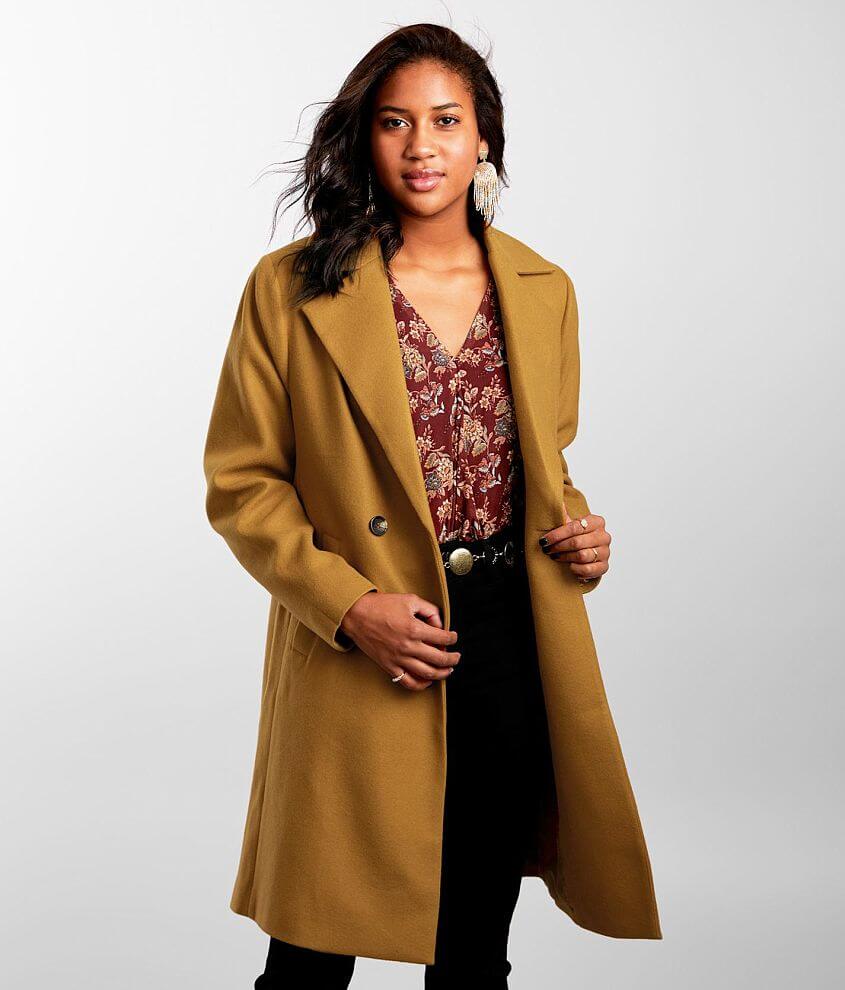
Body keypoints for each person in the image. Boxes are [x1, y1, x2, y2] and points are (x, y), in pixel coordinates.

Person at [203, 22, 661, 990]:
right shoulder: (289, 289)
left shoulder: (541, 289)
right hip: (363, 632)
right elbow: (242, 485)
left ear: (483, 137)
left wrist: (579, 535)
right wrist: (350, 607)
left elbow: (543, 463)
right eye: (394, 122)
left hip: (506, 634)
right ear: (364, 138)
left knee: (473, 953)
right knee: (309, 956)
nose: (421, 146)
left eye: (446, 121)